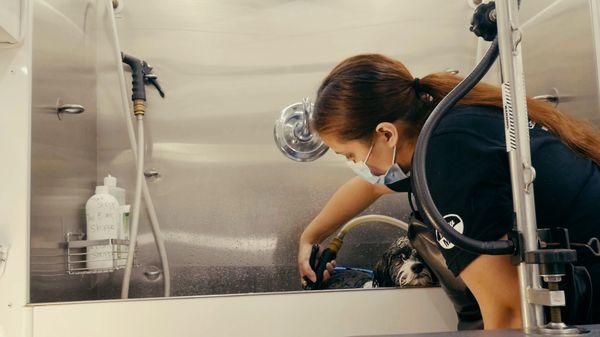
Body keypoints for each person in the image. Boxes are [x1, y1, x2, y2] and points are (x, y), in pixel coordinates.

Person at [298, 54, 600, 329]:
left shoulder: (446, 159)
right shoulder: (441, 129)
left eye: (350, 155)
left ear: (386, 134)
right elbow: (368, 187)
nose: (355, 165)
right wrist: (310, 236)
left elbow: (510, 314)